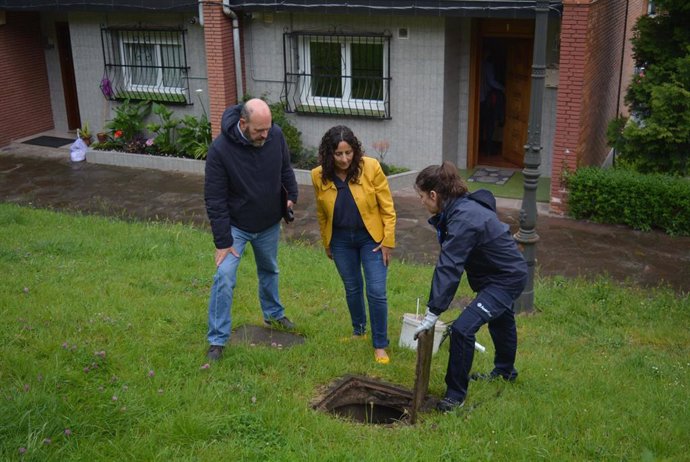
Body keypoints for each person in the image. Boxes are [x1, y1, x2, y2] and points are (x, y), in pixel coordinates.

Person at [413, 161, 527, 412]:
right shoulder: (458, 209)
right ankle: (505, 371)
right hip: (495, 275)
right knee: (502, 319)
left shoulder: (465, 217)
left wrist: (433, 312)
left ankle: (455, 396)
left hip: (506, 278)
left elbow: (450, 265)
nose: (421, 202)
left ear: (434, 195)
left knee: (463, 329)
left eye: (421, 196)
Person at [204, 98, 299, 361]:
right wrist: (223, 242)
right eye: (259, 130)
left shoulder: (275, 136)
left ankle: (273, 314)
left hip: (268, 222)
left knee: (269, 269)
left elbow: (284, 169)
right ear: (243, 124)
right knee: (224, 277)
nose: (265, 135)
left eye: (268, 129)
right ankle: (217, 340)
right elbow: (215, 199)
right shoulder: (220, 150)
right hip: (236, 227)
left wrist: (291, 195)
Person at [311, 126, 396, 364]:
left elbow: (387, 208)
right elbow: (321, 213)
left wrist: (387, 241)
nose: (345, 159)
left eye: (348, 152)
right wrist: (326, 243)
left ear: (355, 150)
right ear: (329, 154)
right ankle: (359, 331)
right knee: (352, 288)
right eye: (338, 154)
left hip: (372, 239)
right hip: (340, 240)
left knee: (376, 292)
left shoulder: (371, 167)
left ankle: (380, 345)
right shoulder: (318, 175)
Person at [479, 51, 505, 156]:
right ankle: (489, 149)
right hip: (486, 100)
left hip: (480, 100)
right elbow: (491, 81)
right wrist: (503, 88)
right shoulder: (487, 65)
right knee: (490, 124)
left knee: (481, 124)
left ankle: (482, 147)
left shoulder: (480, 64)